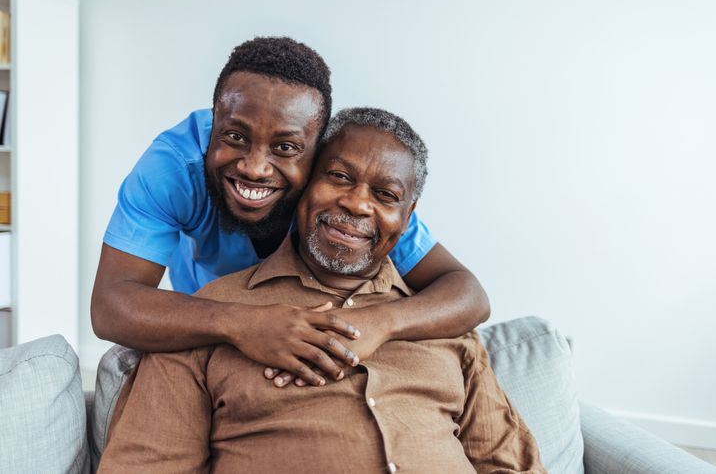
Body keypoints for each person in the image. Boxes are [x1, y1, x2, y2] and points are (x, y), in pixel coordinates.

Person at [97, 108, 546, 474]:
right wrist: (235, 320)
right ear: (303, 185)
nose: (357, 203)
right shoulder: (192, 325)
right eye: (340, 177)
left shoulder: (444, 324)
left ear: (407, 220)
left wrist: (379, 323)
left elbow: (507, 463)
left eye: (385, 195)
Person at [91, 36, 490, 388]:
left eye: (284, 147)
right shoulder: (174, 167)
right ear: (214, 124)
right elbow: (111, 306)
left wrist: (380, 324)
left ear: (318, 151)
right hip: (204, 324)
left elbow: (467, 293)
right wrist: (244, 322)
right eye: (234, 136)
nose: (254, 167)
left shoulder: (346, 187)